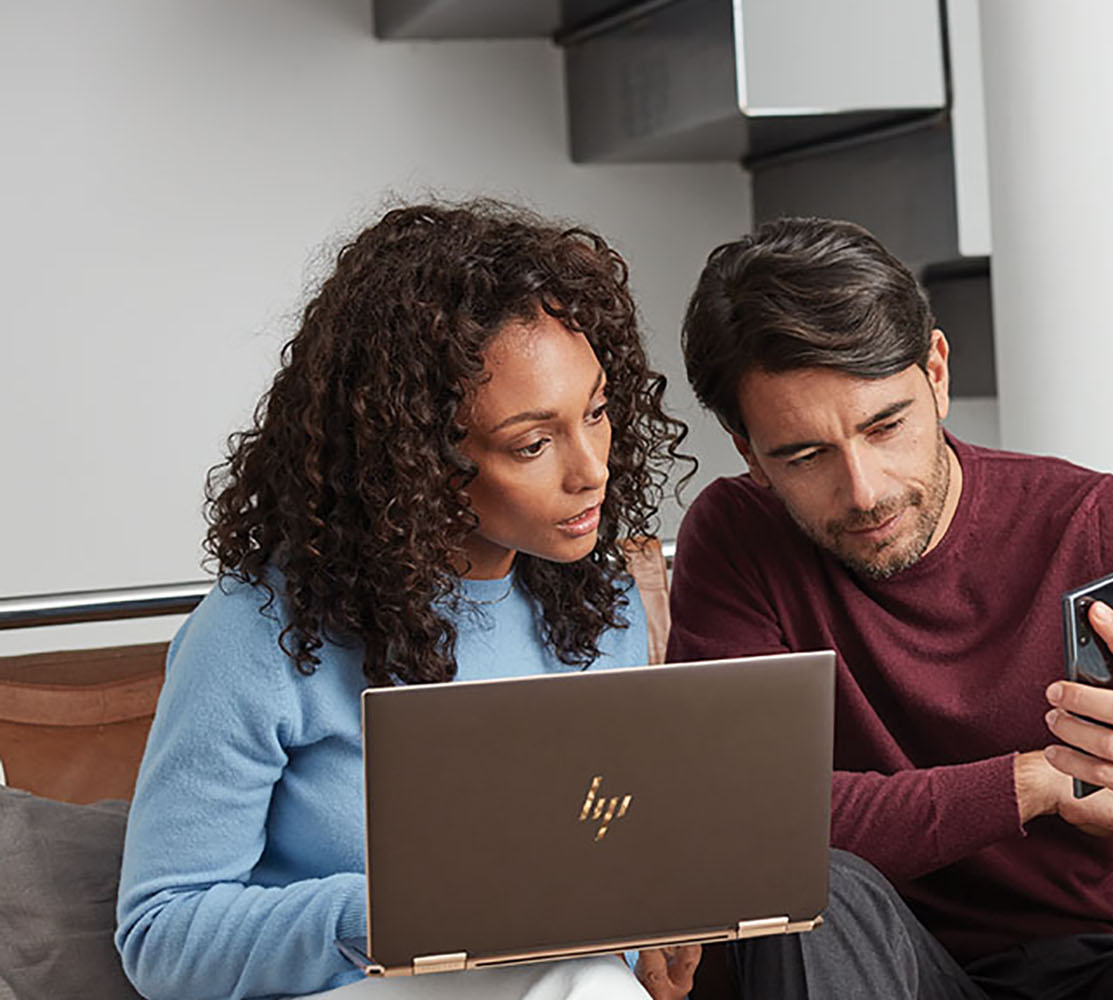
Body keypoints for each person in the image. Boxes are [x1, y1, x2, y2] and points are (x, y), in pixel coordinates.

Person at [668, 217, 1113, 1000]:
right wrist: (1042, 781)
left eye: (887, 426)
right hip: (894, 972)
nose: (865, 489)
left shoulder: (1101, 525)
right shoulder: (738, 541)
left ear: (938, 373)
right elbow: (745, 823)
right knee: (808, 886)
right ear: (748, 451)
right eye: (805, 456)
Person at [115, 201, 702, 1000]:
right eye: (533, 443)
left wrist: (650, 929)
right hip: (352, 988)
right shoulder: (256, 633)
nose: (591, 467)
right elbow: (161, 937)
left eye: (595, 412)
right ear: (416, 459)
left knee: (581, 969)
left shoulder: (601, 608)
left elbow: (599, 862)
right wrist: (408, 910)